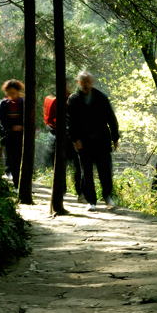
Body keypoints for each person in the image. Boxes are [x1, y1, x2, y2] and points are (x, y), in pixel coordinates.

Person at [66, 71, 119, 211]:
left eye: (88, 82)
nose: (86, 85)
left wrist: (115, 138)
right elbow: (70, 122)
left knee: (105, 171)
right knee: (87, 172)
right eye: (83, 82)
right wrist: (75, 139)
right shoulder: (73, 99)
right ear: (79, 83)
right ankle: (91, 201)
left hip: (102, 140)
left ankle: (107, 197)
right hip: (83, 142)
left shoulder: (101, 97)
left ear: (92, 82)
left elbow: (111, 119)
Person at [43, 86, 82, 201]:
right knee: (61, 165)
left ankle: (80, 192)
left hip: (73, 138)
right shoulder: (54, 101)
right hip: (59, 137)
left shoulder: (73, 100)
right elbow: (49, 120)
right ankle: (62, 191)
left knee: (78, 165)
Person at [0, 79, 24, 188]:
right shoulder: (3, 103)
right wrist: (11, 128)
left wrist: (21, 126)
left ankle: (19, 183)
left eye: (13, 92)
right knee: (10, 158)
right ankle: (13, 179)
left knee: (19, 158)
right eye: (8, 93)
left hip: (21, 136)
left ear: (18, 92)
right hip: (9, 135)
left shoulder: (23, 102)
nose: (11, 95)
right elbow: (1, 120)